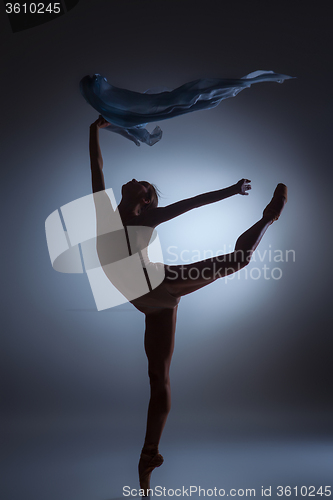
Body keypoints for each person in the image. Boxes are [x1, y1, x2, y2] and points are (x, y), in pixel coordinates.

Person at [89, 115, 287, 495]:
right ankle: (149, 457)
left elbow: (191, 204)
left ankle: (268, 217)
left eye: (143, 184)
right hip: (151, 306)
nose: (133, 180)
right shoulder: (105, 216)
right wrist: (92, 130)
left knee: (237, 260)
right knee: (158, 379)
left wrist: (230, 191)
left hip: (164, 283)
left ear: (143, 199)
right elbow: (97, 167)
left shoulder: (147, 218)